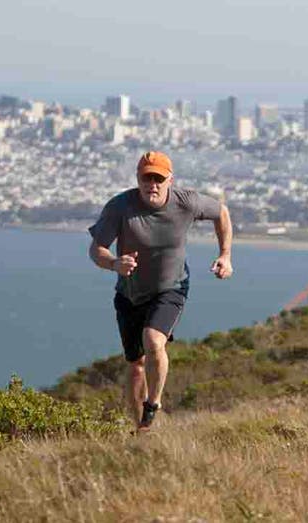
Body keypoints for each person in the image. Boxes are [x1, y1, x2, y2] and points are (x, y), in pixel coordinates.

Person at [88, 151, 233, 431]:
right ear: (138, 179)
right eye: (147, 178)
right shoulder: (120, 207)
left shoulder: (186, 202)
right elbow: (96, 249)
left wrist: (225, 254)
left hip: (171, 287)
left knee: (154, 340)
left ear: (170, 180)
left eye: (159, 178)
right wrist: (113, 263)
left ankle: (153, 404)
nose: (152, 184)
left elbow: (221, 213)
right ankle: (140, 428)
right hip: (129, 293)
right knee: (135, 365)